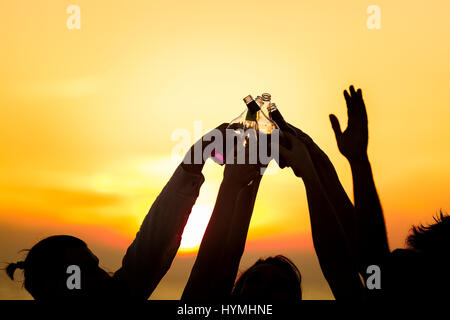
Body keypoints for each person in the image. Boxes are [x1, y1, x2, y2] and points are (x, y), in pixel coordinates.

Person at [5, 123, 228, 300]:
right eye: (82, 272)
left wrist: (196, 157)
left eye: (95, 265)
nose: (102, 275)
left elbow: (153, 243)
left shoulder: (116, 295)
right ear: (53, 287)